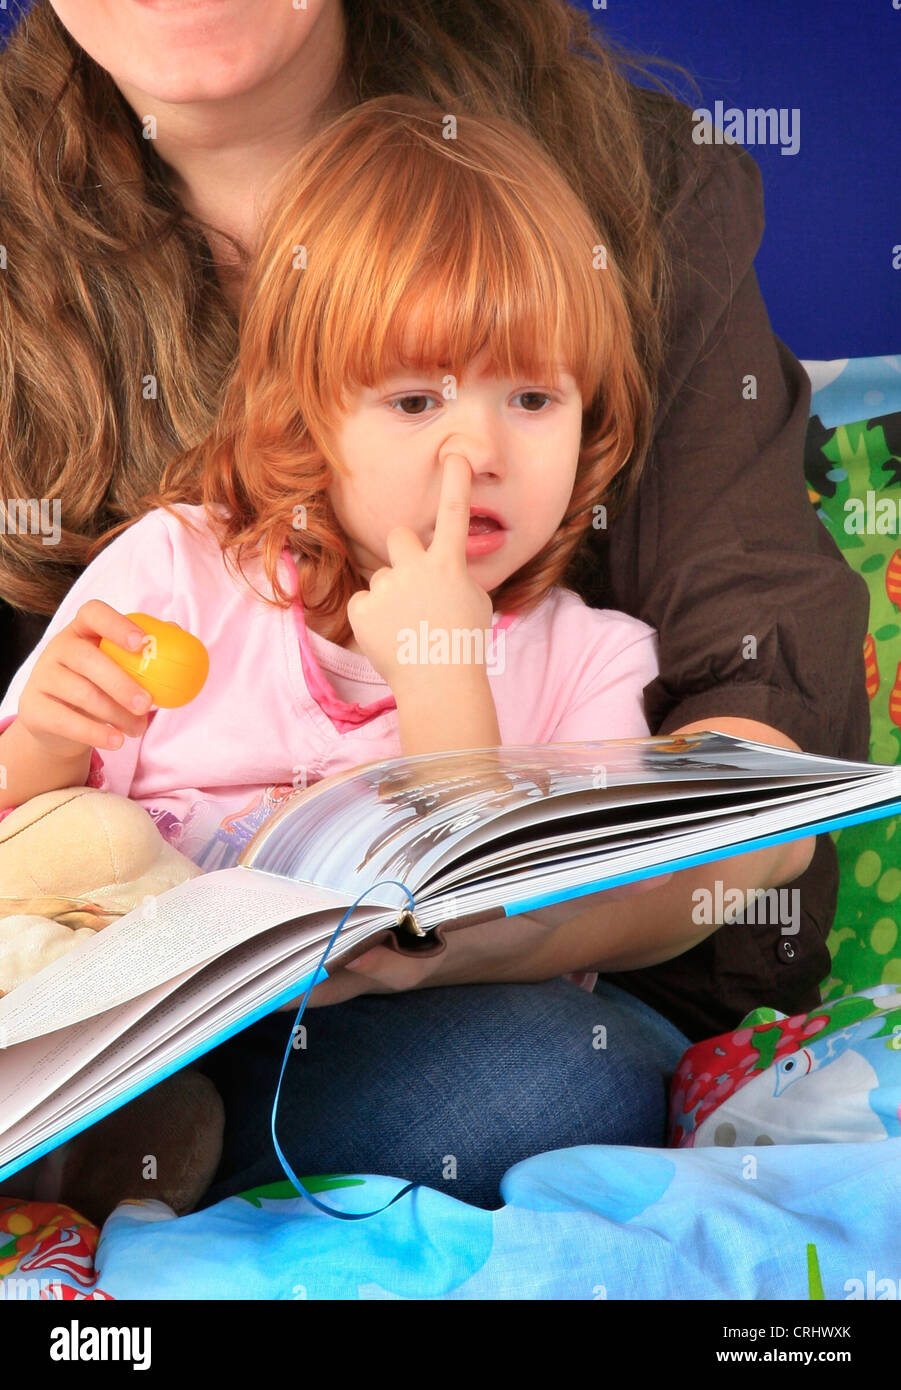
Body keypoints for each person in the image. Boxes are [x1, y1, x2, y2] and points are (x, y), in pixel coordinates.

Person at [0, 0, 867, 1213]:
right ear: (296, 419)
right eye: (412, 402)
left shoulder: (580, 649)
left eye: (533, 402)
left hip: (431, 1028)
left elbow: (568, 846)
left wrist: (445, 679)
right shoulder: (181, 567)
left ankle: (157, 1170)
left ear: (598, 423)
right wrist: (47, 737)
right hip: (100, 1012)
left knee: (540, 1084)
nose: (475, 452)